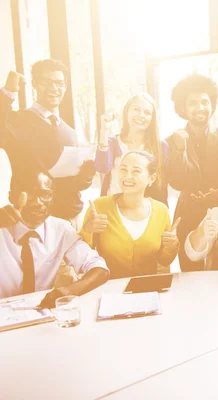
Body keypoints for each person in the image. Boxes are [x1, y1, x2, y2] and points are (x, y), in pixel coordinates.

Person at [0, 61, 96, 225]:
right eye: (47, 82)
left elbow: (66, 183)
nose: (54, 88)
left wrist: (85, 178)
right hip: (32, 217)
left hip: (68, 218)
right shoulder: (17, 120)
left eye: (60, 83)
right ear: (35, 84)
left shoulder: (70, 132)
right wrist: (7, 93)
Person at [0, 170, 109, 306]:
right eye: (29, 195)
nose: (37, 202)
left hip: (38, 312)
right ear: (11, 197)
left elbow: (99, 268)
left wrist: (68, 292)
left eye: (45, 195)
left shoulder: (60, 229)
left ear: (53, 197)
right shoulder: (2, 224)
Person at [166, 74, 218, 271]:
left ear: (212, 105)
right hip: (187, 216)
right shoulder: (171, 141)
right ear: (183, 108)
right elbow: (177, 183)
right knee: (191, 278)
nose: (200, 108)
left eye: (205, 102)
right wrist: (179, 150)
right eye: (193, 103)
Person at [80, 151, 179, 279]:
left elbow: (164, 261)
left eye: (136, 171)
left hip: (146, 289)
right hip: (107, 287)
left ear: (152, 178)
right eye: (123, 169)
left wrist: (171, 247)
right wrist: (87, 230)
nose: (127, 176)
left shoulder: (161, 211)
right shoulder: (99, 207)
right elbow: (81, 256)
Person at [95, 93, 170, 205]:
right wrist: (104, 132)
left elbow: (161, 186)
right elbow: (102, 168)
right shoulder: (112, 142)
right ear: (127, 113)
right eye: (136, 110)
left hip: (144, 212)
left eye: (147, 113)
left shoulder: (161, 146)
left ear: (152, 118)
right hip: (113, 208)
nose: (141, 115)